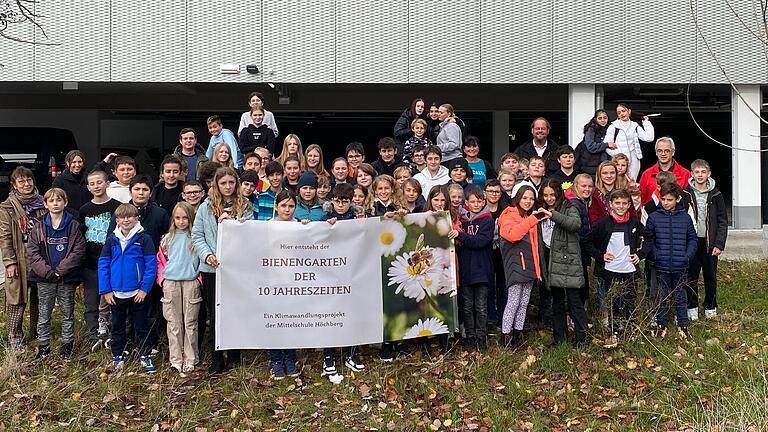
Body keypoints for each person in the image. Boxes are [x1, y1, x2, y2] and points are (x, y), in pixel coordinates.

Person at [192, 167, 253, 374]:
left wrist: (240, 225)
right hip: (212, 269)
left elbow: (253, 235)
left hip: (236, 270)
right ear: (216, 185)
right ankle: (217, 358)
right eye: (223, 183)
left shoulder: (245, 206)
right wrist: (207, 255)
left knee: (235, 312)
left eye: (231, 183)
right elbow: (197, 235)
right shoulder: (205, 207)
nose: (227, 187)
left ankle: (234, 356)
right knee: (214, 313)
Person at [26, 188, 86, 360]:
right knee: (44, 312)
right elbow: (32, 251)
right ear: (45, 204)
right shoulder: (39, 226)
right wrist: (46, 271)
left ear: (65, 202)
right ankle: (43, 346)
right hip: (45, 278)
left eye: (59, 200)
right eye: (51, 201)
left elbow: (78, 251)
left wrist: (60, 271)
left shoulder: (73, 225)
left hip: (66, 278)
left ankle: (67, 345)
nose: (55, 203)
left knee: (67, 312)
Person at [98, 203, 158, 373]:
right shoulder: (111, 240)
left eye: (129, 216)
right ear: (116, 220)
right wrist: (106, 290)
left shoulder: (144, 239)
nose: (126, 220)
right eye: (122, 217)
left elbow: (151, 265)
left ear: (136, 218)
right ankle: (118, 355)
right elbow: (103, 265)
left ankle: (145, 355)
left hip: (138, 293)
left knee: (141, 325)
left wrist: (144, 288)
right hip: (116, 293)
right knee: (118, 325)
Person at [639, 183, 697, 339]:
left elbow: (692, 238)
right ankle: (661, 324)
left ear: (677, 199)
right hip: (661, 265)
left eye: (669, 199)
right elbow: (649, 239)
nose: (666, 202)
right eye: (663, 199)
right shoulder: (654, 217)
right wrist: (656, 255)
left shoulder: (685, 217)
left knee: (680, 295)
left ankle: (683, 325)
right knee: (661, 296)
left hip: (681, 264)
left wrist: (687, 255)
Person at [588, 189, 644, 346]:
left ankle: (631, 328)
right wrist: (600, 256)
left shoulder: (634, 223)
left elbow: (650, 238)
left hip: (630, 269)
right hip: (610, 270)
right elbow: (587, 242)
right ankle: (615, 330)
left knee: (630, 300)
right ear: (610, 204)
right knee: (614, 300)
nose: (621, 206)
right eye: (617, 203)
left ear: (628, 205)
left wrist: (641, 254)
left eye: (624, 203)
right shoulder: (602, 224)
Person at [319, 183, 365, 373]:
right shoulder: (326, 217)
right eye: (337, 201)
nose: (340, 205)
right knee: (331, 316)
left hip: (353, 275)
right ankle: (328, 356)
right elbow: (312, 237)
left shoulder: (358, 217)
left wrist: (363, 225)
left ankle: (351, 354)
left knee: (352, 315)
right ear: (332, 200)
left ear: (351, 201)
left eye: (344, 202)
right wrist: (323, 227)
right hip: (330, 276)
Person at [0, 167, 47, 350]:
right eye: (21, 181)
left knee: (39, 296)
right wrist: (10, 262)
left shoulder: (44, 203)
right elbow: (4, 237)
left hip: (40, 257)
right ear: (14, 184)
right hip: (20, 256)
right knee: (17, 298)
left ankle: (36, 331)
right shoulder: (7, 207)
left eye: (29, 180)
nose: (26, 184)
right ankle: (14, 336)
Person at [539, 179, 587, 347]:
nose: (549, 198)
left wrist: (554, 215)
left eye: (552, 194)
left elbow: (575, 224)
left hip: (568, 262)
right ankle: (560, 339)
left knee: (575, 302)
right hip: (551, 260)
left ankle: (583, 340)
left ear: (559, 193)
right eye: (545, 195)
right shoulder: (540, 209)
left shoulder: (569, 207)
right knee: (557, 303)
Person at [498, 185, 546, 348]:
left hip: (529, 265)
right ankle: (505, 337)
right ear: (518, 197)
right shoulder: (508, 214)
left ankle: (517, 335)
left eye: (531, 199)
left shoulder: (528, 216)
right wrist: (533, 219)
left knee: (524, 302)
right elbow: (511, 235)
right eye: (525, 198)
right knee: (513, 301)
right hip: (516, 265)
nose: (528, 201)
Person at [156, 202, 201, 373]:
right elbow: (160, 260)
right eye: (178, 218)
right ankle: (176, 358)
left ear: (191, 219)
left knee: (190, 322)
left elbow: (202, 259)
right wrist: (162, 280)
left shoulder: (196, 238)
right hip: (171, 282)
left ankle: (191, 358)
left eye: (185, 218)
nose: (181, 222)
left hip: (190, 282)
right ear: (173, 219)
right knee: (173, 323)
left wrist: (199, 279)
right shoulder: (167, 238)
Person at [79, 171, 122, 346]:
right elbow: (81, 236)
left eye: (99, 182)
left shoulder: (117, 207)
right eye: (92, 184)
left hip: (113, 261)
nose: (96, 186)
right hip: (90, 263)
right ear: (88, 188)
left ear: (107, 184)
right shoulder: (84, 210)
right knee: (91, 301)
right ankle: (91, 334)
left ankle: (115, 332)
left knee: (115, 299)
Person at [269, 190, 306, 379]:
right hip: (274, 281)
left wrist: (309, 228)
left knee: (291, 320)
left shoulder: (299, 225)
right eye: (284, 205)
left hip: (294, 280)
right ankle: (275, 359)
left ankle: (290, 358)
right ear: (277, 206)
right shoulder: (267, 226)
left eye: (291, 206)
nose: (287, 209)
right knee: (276, 320)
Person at [685, 159, 728, 320]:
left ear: (709, 174)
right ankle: (692, 306)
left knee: (710, 276)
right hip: (692, 242)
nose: (700, 175)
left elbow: (722, 220)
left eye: (703, 172)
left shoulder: (716, 194)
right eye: (697, 172)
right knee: (691, 276)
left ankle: (710, 306)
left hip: (710, 243)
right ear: (692, 174)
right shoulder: (686, 194)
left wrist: (719, 244)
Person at [456, 186, 494, 353]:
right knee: (467, 306)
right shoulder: (460, 221)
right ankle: (470, 337)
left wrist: (461, 236)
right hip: (465, 269)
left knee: (481, 306)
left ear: (483, 202)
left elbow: (480, 241)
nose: (476, 204)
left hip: (482, 270)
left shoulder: (487, 220)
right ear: (466, 203)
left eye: (479, 201)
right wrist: (459, 235)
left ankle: (481, 337)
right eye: (472, 201)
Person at [604, 104, 654, 180]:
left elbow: (649, 138)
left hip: (634, 159)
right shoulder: (613, 126)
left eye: (623, 111)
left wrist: (646, 123)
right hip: (619, 161)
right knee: (618, 182)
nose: (622, 114)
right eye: (619, 112)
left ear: (629, 111)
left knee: (632, 182)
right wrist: (618, 154)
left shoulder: (635, 126)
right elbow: (606, 146)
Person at [638, 137, 692, 205]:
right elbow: (641, 201)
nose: (663, 154)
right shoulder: (646, 174)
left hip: (678, 214)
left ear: (673, 152)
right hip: (652, 214)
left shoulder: (685, 174)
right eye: (660, 151)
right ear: (656, 153)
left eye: (667, 151)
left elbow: (689, 200)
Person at [483, 179, 507, 333]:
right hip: (485, 251)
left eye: (497, 191)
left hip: (503, 251)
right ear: (485, 193)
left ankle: (503, 316)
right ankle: (491, 317)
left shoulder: (506, 209)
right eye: (490, 191)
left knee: (503, 285)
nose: (493, 194)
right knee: (488, 285)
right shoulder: (481, 209)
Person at [52, 150, 92, 214]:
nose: (77, 165)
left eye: (80, 162)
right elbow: (56, 200)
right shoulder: (60, 180)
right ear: (67, 163)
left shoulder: (89, 177)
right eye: (74, 162)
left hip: (88, 216)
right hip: (69, 217)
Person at [576, 109, 610, 178]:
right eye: (600, 118)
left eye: (605, 118)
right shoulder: (591, 129)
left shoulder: (610, 129)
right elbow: (591, 147)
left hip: (602, 164)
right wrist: (607, 145)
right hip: (589, 164)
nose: (603, 120)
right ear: (595, 119)